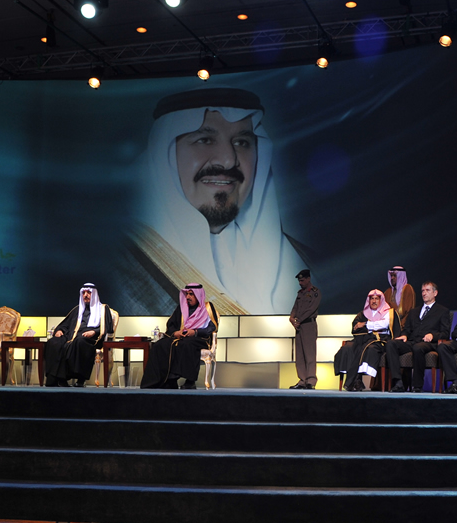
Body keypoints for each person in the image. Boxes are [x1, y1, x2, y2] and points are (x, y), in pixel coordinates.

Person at [126, 89, 307, 316]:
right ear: (166, 154)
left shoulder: (303, 262)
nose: (228, 160)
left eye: (241, 142)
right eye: (205, 140)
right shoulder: (122, 268)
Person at [141, 283, 217, 389]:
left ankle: (190, 381)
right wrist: (175, 333)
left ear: (198, 295)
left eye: (191, 294)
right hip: (180, 338)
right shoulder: (182, 308)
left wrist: (195, 332)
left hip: (199, 338)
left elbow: (212, 328)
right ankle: (164, 380)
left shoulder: (207, 308)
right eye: (187, 294)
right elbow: (171, 324)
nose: (188, 297)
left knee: (186, 344)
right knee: (159, 345)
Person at [45, 283, 114, 388]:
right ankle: (57, 379)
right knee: (53, 342)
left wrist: (94, 332)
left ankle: (80, 380)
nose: (85, 295)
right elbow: (65, 324)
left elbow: (108, 327)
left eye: (89, 293)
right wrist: (59, 330)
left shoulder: (104, 309)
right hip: (71, 336)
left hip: (90, 338)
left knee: (80, 341)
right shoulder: (78, 309)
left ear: (94, 294)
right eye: (83, 293)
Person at [385, 280, 449, 392]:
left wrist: (433, 336)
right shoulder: (414, 311)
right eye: (423, 291)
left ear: (435, 293)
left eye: (427, 290)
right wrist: (404, 335)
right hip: (412, 341)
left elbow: (445, 333)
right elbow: (407, 329)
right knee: (391, 344)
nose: (424, 293)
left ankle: (417, 385)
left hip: (429, 343)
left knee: (418, 347)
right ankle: (398, 382)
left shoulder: (442, 311)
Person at [334, 289, 400, 391]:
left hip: (380, 340)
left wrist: (366, 324)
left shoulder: (388, 312)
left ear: (381, 300)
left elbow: (384, 324)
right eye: (372, 299)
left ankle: (354, 380)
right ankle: (356, 381)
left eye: (376, 299)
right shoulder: (363, 313)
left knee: (367, 348)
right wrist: (370, 327)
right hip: (363, 339)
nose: (374, 301)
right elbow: (355, 326)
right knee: (348, 348)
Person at [288, 269, 321, 389]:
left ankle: (311, 381)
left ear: (308, 279)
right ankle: (302, 380)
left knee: (309, 354)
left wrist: (299, 320)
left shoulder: (315, 292)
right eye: (299, 281)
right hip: (299, 326)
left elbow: (311, 309)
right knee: (300, 354)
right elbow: (295, 307)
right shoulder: (300, 293)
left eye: (302, 280)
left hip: (308, 325)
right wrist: (292, 318)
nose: (300, 283)